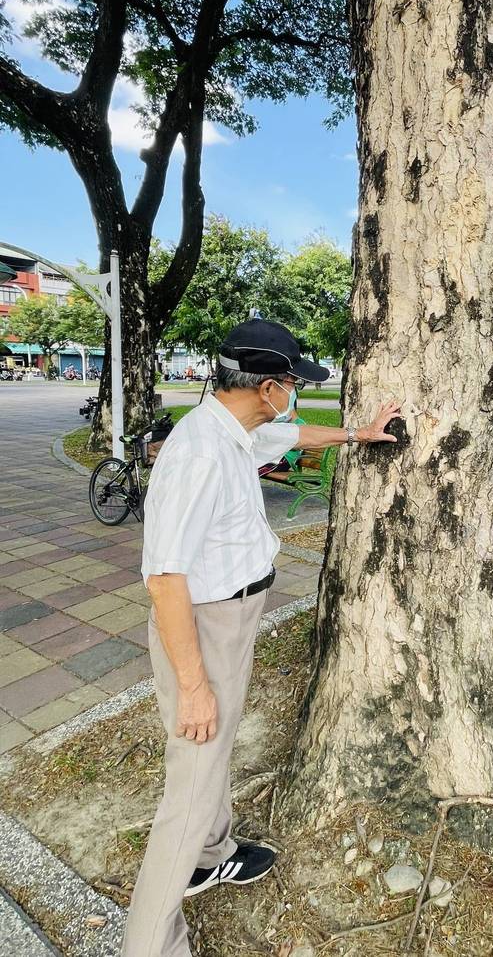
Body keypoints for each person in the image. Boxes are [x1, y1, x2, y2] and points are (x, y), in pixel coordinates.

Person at [122, 318, 401, 957]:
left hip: (232, 617)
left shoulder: (233, 428)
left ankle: (210, 855)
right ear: (269, 385)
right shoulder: (199, 454)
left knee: (211, 758)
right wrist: (193, 686)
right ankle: (149, 944)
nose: (293, 397)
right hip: (204, 625)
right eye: (292, 385)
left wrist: (360, 433)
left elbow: (292, 433)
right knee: (190, 786)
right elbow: (163, 579)